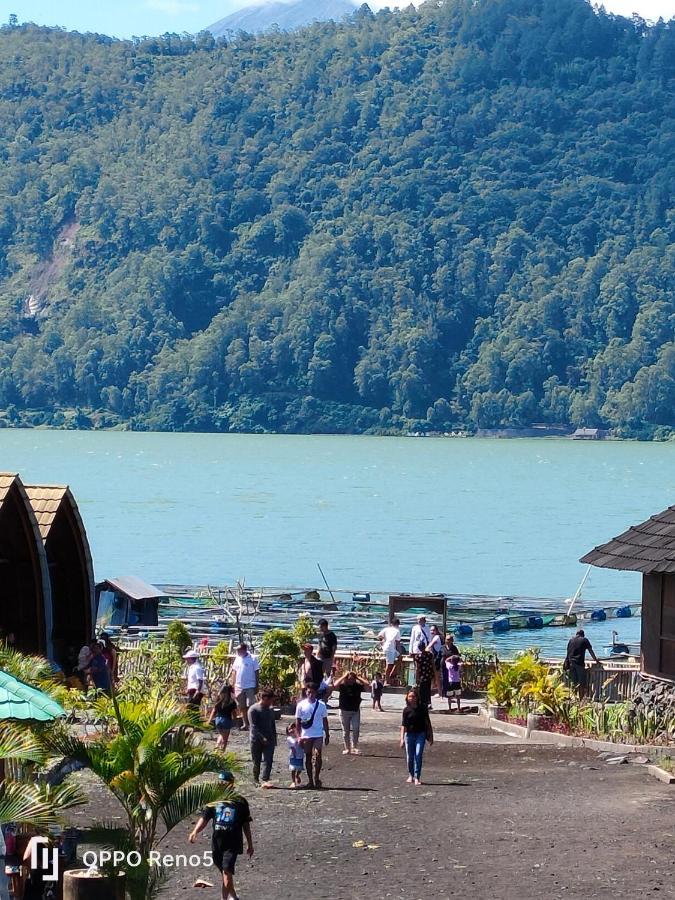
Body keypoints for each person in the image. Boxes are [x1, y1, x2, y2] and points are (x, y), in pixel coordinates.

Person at [189, 771, 253, 900]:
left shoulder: (240, 802)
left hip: (233, 843)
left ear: (231, 784)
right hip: (217, 844)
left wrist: (250, 844)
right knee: (225, 873)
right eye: (220, 783)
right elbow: (205, 818)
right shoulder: (214, 801)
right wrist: (195, 831)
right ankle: (234, 896)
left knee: (227, 872)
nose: (222, 785)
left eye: (225, 783)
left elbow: (246, 825)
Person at [295, 682, 330, 789]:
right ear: (306, 692)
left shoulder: (322, 705)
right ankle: (310, 780)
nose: (311, 694)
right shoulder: (301, 705)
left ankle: (316, 777)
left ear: (316, 693)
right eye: (309, 692)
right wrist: (298, 736)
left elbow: (325, 720)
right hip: (306, 735)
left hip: (318, 734)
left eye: (313, 692)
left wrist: (327, 734)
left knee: (318, 755)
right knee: (308, 757)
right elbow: (297, 721)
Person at [400, 687, 433, 785]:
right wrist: (401, 738)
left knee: (418, 754)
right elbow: (403, 725)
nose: (411, 698)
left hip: (420, 734)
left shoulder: (422, 708)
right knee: (410, 756)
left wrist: (430, 736)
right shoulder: (406, 710)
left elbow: (427, 722)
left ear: (417, 697)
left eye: (413, 696)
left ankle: (417, 777)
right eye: (409, 696)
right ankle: (411, 775)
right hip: (409, 735)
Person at [333, 670, 370, 755]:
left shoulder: (358, 686)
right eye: (349, 678)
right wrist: (343, 676)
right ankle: (347, 748)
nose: (351, 680)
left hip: (355, 710)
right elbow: (334, 685)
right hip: (344, 710)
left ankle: (355, 747)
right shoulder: (342, 686)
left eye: (353, 679)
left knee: (356, 729)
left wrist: (357, 677)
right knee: (346, 731)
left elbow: (367, 684)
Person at [249, 689, 277, 788]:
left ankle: (265, 779)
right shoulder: (254, 709)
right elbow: (253, 726)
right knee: (256, 761)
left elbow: (272, 724)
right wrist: (262, 738)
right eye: (270, 700)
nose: (271, 702)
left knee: (268, 760)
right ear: (264, 698)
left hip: (269, 739)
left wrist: (274, 738)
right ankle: (255, 779)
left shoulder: (270, 710)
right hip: (256, 740)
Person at [229, 643, 260, 731]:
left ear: (244, 650)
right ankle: (245, 724)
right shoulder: (237, 659)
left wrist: (257, 685)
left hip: (250, 685)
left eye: (239, 650)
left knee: (251, 705)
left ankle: (253, 724)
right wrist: (232, 684)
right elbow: (234, 672)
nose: (237, 652)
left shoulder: (253, 658)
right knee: (242, 706)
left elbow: (256, 672)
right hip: (239, 686)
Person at [564, 629, 601, 700]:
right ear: (583, 635)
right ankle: (581, 699)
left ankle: (574, 698)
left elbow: (568, 652)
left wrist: (567, 662)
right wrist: (596, 660)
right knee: (582, 683)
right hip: (579, 663)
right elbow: (590, 651)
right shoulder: (584, 640)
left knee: (574, 683)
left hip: (571, 663)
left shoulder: (571, 640)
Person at [208, 684, 238, 749]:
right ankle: (221, 751)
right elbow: (234, 713)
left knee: (221, 734)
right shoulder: (231, 702)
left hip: (218, 719)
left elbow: (213, 711)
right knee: (225, 739)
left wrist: (209, 720)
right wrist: (235, 720)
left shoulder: (218, 700)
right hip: (226, 720)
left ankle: (217, 746)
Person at [377, 618, 402, 685]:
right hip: (390, 649)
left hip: (388, 648)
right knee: (389, 664)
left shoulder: (386, 629)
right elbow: (398, 642)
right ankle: (387, 680)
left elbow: (379, 636)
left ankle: (391, 675)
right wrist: (400, 651)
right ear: (398, 624)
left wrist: (382, 642)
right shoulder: (397, 631)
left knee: (399, 659)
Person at [414, 640, 434, 709]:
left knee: (422, 690)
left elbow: (417, 668)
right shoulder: (430, 654)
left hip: (422, 675)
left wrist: (417, 678)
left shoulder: (418, 657)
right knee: (428, 690)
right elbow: (432, 664)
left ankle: (422, 703)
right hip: (428, 674)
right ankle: (429, 703)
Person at [286, 723, 305, 789]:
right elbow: (293, 746)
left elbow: (302, 745)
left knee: (299, 768)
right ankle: (293, 781)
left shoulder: (299, 736)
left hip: (300, 754)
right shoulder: (289, 738)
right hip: (293, 755)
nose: (291, 730)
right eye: (289, 729)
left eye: (292, 728)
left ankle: (297, 775)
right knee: (293, 769)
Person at [427, 625, 443, 695]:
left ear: (436, 630)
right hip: (438, 659)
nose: (432, 632)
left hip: (437, 659)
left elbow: (429, 646)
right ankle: (431, 690)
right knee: (435, 676)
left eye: (433, 630)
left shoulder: (436, 637)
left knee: (437, 676)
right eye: (431, 630)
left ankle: (440, 693)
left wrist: (423, 652)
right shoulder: (440, 637)